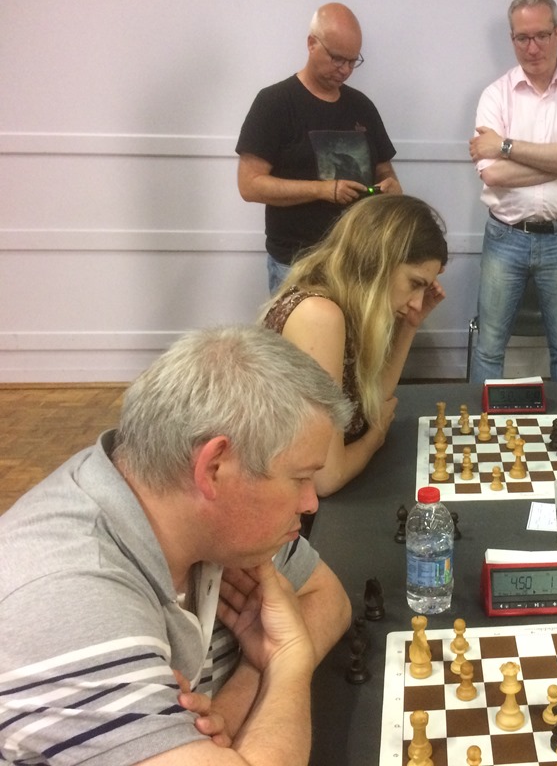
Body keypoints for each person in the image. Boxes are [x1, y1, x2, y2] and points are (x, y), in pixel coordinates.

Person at [0, 325, 354, 765]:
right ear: (213, 468)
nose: (310, 502)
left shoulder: (216, 519)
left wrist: (238, 697)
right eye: (300, 478)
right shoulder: (65, 600)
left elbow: (327, 598)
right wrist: (286, 663)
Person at [262, 193, 447, 499]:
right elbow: (326, 478)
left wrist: (410, 325)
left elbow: (373, 403)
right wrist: (376, 437)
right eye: (415, 283)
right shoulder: (319, 315)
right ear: (379, 260)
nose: (417, 301)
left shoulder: (346, 307)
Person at [468, 0, 557, 383]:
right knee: (489, 348)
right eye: (522, 38)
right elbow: (492, 174)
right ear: (512, 39)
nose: (532, 47)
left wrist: (504, 146)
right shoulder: (495, 95)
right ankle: (478, 422)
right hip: (504, 236)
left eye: (541, 35)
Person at [237, 3, 402, 293]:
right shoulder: (274, 103)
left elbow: (385, 171)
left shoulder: (362, 106)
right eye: (337, 59)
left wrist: (392, 189)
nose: (345, 70)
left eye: (352, 61)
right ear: (312, 43)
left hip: (358, 261)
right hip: (297, 264)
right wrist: (323, 190)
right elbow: (249, 185)